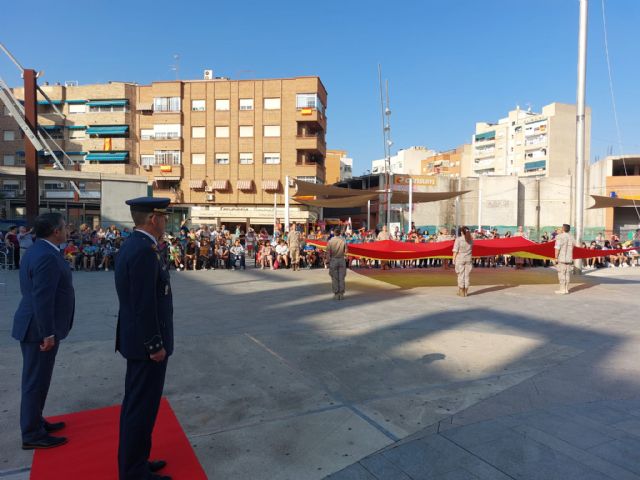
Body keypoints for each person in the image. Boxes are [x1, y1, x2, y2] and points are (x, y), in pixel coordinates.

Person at [115, 197, 173, 480]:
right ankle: (133, 471)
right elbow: (143, 304)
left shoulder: (140, 246)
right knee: (140, 407)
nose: (166, 220)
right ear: (153, 218)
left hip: (138, 342)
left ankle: (137, 460)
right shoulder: (142, 251)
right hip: (145, 345)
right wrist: (155, 344)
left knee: (142, 405)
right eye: (164, 216)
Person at [12, 213, 75, 450]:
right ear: (55, 231)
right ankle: (32, 433)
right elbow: (42, 297)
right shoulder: (47, 255)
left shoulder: (38, 250)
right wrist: (47, 332)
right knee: (35, 381)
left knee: (39, 379)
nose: (67, 230)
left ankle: (36, 421)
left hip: (34, 324)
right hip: (38, 329)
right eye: (64, 227)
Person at [452, 226, 473, 297]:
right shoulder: (470, 239)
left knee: (460, 275)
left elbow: (455, 250)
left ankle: (461, 291)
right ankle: (466, 292)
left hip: (460, 259)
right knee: (467, 275)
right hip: (468, 259)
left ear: (461, 232)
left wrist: (453, 259)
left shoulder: (458, 239)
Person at [554, 223, 575, 295]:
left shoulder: (559, 237)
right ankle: (566, 289)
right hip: (569, 258)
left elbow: (557, 248)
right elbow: (573, 247)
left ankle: (562, 289)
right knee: (567, 273)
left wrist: (556, 257)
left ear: (563, 229)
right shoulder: (572, 237)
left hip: (561, 257)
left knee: (561, 273)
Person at [327, 227, 347, 300]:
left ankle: (336, 294)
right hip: (341, 260)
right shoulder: (343, 240)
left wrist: (328, 262)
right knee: (341, 278)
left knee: (334, 278)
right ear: (340, 233)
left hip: (333, 260)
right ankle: (341, 294)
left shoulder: (330, 241)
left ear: (334, 233)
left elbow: (328, 253)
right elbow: (346, 252)